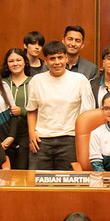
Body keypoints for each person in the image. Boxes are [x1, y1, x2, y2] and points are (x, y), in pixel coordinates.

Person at [27, 40, 95, 170]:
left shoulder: (80, 80)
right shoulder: (36, 80)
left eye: (60, 57)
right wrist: (31, 133)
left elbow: (86, 115)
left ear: (66, 58)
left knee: (68, 183)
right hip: (41, 140)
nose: (57, 62)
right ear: (46, 61)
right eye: (52, 59)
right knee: (36, 182)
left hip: (70, 139)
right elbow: (32, 110)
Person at [1, 48, 34, 169]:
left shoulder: (34, 82)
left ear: (25, 62)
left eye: (18, 60)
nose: (15, 63)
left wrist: (22, 111)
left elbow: (41, 108)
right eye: (11, 61)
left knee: (21, 172)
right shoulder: (1, 83)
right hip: (4, 134)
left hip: (26, 134)